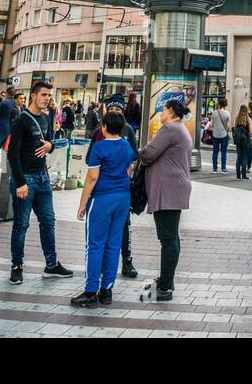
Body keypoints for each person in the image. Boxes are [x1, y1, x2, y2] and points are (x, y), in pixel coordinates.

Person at [7, 80, 74, 285]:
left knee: (48, 222)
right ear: (33, 96)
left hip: (43, 178)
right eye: (44, 95)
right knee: (21, 225)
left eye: (49, 96)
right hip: (25, 178)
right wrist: (19, 182)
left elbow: (48, 142)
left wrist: (50, 146)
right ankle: (17, 266)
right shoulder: (21, 120)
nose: (47, 99)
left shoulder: (45, 118)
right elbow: (12, 153)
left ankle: (51, 265)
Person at [71, 110, 136, 307]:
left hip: (102, 199)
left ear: (104, 127)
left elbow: (92, 178)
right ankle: (106, 290)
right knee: (113, 244)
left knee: (95, 245)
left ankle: (90, 291)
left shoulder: (99, 147)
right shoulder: (126, 146)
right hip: (122, 198)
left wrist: (82, 204)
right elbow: (129, 171)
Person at [138, 98, 193, 301]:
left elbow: (149, 154)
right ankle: (166, 280)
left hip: (168, 190)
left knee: (168, 239)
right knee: (172, 238)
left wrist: (141, 153)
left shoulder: (170, 129)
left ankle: (166, 287)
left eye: (162, 111)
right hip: (175, 188)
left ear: (170, 111)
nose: (160, 114)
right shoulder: (180, 128)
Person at [209, 97, 232, 173]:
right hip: (224, 135)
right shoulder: (227, 113)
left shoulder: (214, 113)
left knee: (215, 152)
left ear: (219, 105)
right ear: (224, 105)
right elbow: (228, 127)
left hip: (215, 135)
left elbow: (211, 125)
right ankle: (223, 169)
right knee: (223, 152)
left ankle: (214, 169)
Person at [232, 105, 252, 180]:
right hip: (246, 140)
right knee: (244, 157)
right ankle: (244, 175)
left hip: (238, 140)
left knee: (239, 157)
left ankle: (238, 175)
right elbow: (251, 131)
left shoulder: (237, 118)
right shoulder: (248, 119)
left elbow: (235, 128)